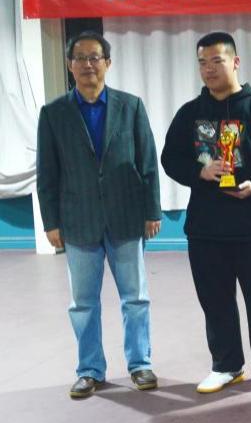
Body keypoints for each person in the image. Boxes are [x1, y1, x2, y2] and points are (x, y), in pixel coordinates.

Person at [161, 32, 251, 395]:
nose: (209, 69)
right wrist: (200, 172)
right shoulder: (190, 113)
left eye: (216, 61)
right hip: (205, 227)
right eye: (202, 63)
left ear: (235, 62)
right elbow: (170, 159)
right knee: (215, 300)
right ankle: (226, 365)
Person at [36, 31, 161, 399]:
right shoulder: (53, 114)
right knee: (83, 304)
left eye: (95, 57)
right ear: (69, 65)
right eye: (80, 58)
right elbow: (47, 173)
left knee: (135, 298)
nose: (88, 64)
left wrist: (151, 210)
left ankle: (140, 364)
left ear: (108, 62)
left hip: (126, 217)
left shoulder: (130, 106)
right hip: (78, 221)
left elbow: (147, 162)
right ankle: (90, 370)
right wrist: (51, 222)